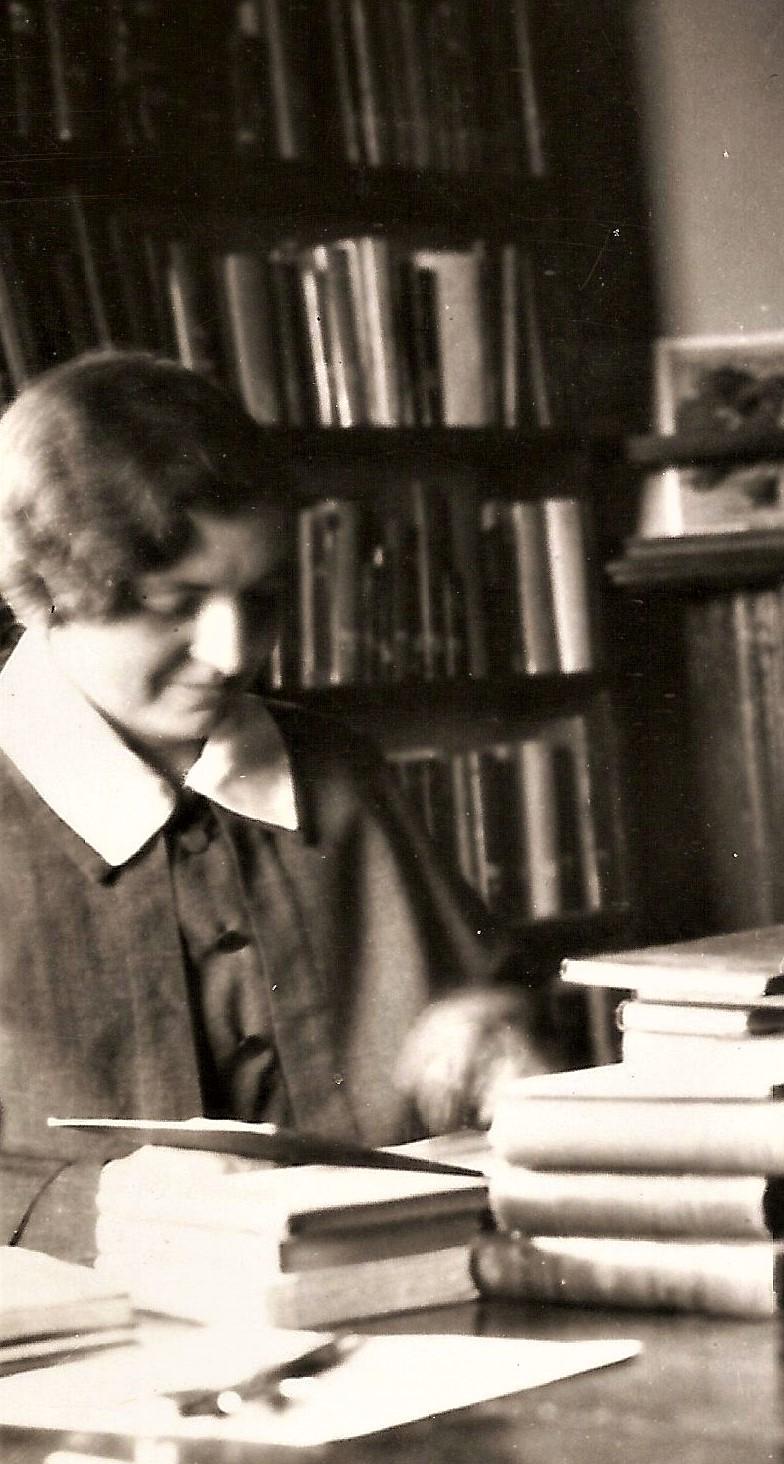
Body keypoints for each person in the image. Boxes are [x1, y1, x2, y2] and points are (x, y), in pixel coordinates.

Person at [0, 352, 548, 1260]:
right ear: (52, 590)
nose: (231, 650)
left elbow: (482, 1015)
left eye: (261, 600)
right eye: (176, 603)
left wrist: (501, 1047)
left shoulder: (338, 770)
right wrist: (94, 1201)